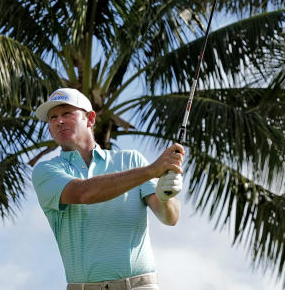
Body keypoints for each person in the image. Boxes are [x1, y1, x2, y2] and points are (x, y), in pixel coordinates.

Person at [31, 87, 184, 290]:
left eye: (67, 113)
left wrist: (166, 195)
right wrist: (151, 171)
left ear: (90, 119)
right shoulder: (46, 170)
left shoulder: (131, 161)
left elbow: (170, 218)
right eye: (52, 118)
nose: (59, 121)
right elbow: (83, 193)